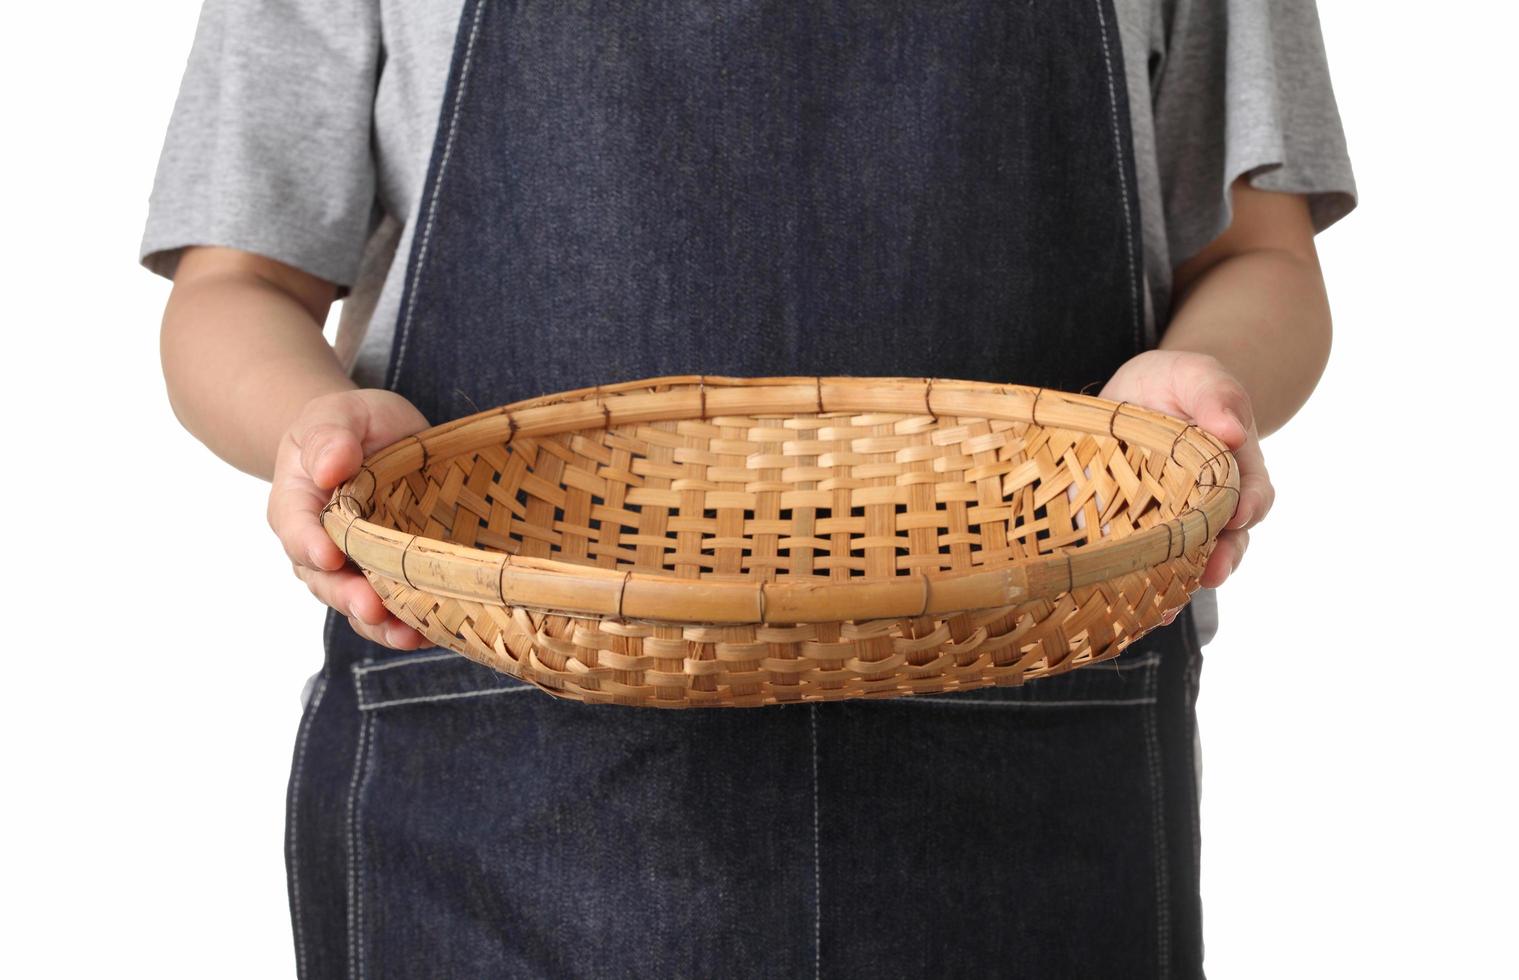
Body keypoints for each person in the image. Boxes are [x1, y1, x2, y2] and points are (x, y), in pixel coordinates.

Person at [144, 0, 1355, 975]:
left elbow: (1257, 254)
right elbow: (235, 282)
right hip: (501, 761)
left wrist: (1199, 384)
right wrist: (312, 422)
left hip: (1032, 765)